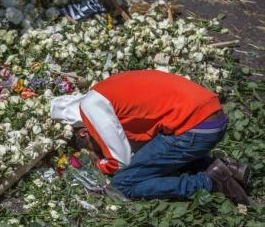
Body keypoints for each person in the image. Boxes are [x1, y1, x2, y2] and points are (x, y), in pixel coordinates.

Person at [51, 70, 250, 205]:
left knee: (122, 184)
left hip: (194, 129)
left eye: (88, 145)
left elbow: (120, 161)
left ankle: (211, 182)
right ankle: (228, 168)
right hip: (212, 117)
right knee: (153, 157)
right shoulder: (103, 92)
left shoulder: (91, 107)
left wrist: (100, 164)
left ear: (83, 132)